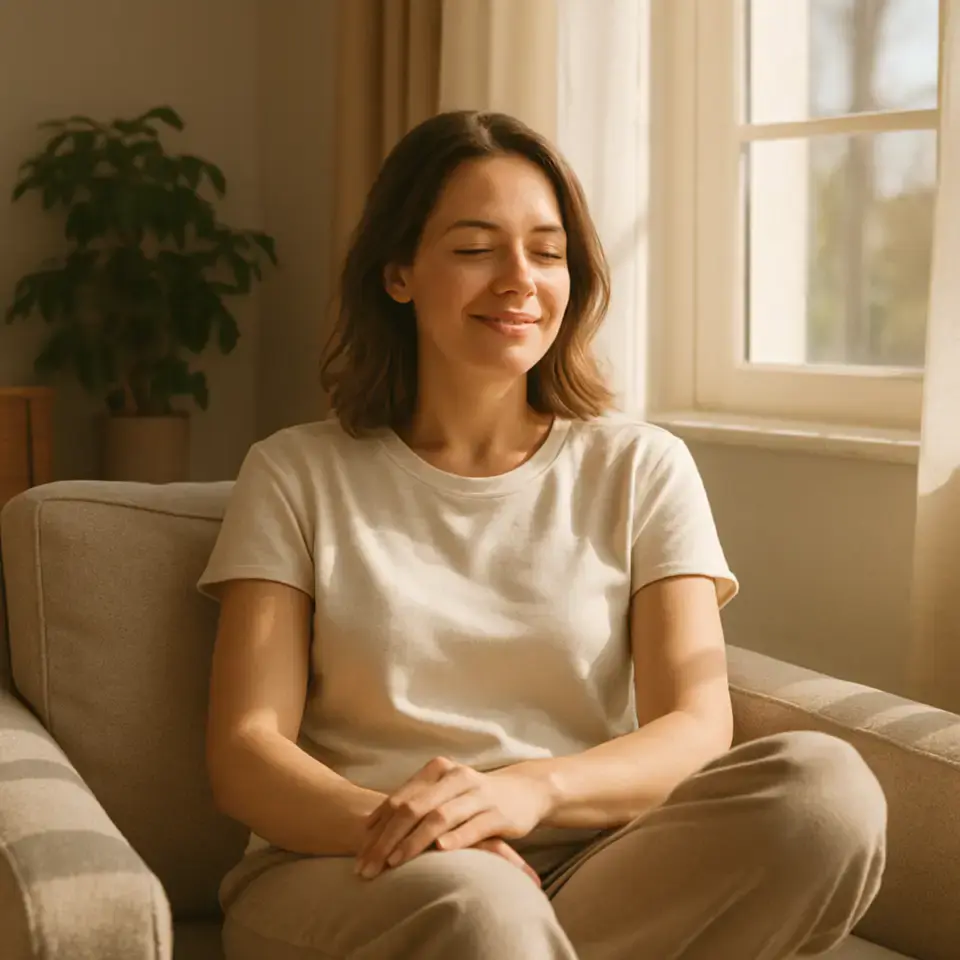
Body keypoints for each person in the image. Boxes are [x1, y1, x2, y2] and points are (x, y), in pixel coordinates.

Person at [197, 110, 887, 960]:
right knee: (483, 912)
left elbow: (696, 724)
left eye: (547, 250)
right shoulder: (294, 473)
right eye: (476, 247)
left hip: (588, 861)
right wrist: (432, 830)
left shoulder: (642, 466)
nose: (520, 278)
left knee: (824, 793)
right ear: (399, 272)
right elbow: (246, 750)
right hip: (359, 861)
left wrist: (529, 793)